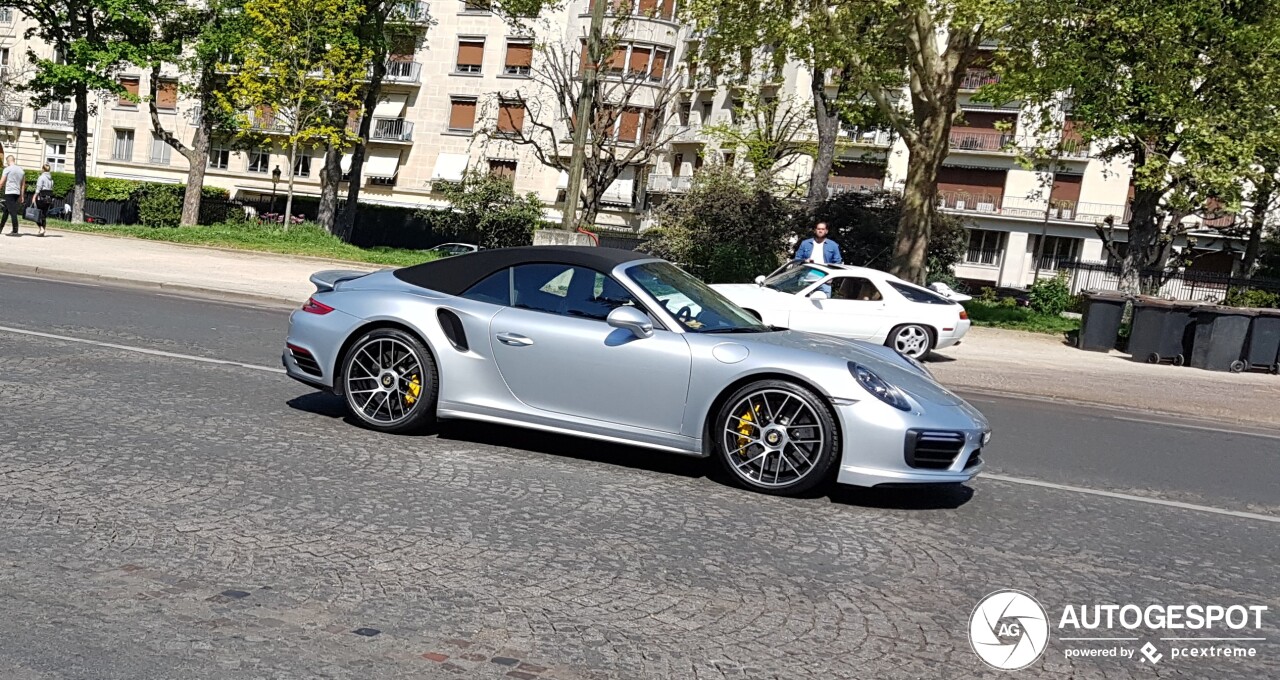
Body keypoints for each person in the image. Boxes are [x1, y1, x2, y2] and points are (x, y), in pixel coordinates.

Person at [2, 155, 25, 236]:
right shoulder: (21, 170)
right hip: (17, 192)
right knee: (6, 210)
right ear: (14, 160)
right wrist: (21, 196)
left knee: (12, 211)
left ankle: (15, 230)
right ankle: (0, 228)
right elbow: (23, 184)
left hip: (9, 192)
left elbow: (1, 182)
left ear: (8, 161)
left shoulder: (7, 169)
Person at [34, 164, 54, 237]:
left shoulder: (41, 177)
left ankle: (41, 228)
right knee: (44, 215)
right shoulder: (51, 179)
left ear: (43, 169)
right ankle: (42, 230)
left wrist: (34, 196)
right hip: (48, 198)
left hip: (41, 197)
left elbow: (38, 188)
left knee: (36, 213)